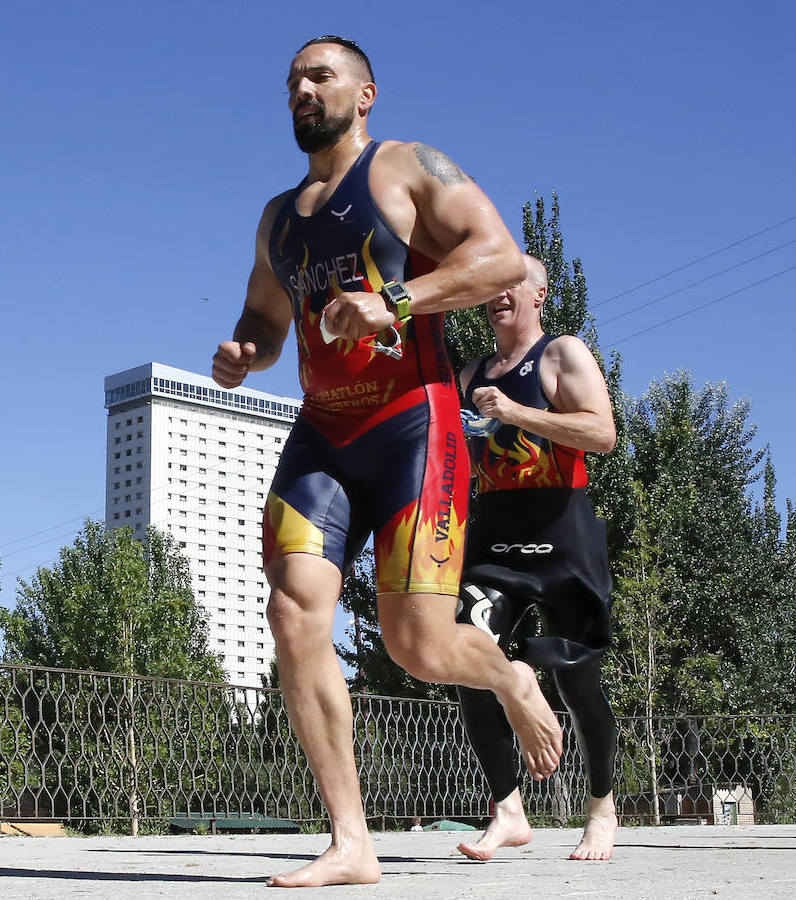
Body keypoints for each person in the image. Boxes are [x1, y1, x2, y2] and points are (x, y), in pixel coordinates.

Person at [211, 37, 563, 887]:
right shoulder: (277, 218)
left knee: (419, 647)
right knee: (294, 613)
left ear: (364, 94)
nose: (302, 88)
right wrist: (244, 352)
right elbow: (264, 318)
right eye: (293, 79)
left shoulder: (407, 168)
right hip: (323, 434)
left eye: (319, 75)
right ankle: (350, 840)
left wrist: (393, 299)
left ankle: (512, 679)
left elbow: (501, 259)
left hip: (415, 424)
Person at [454, 255, 619, 862]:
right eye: (491, 284)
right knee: (465, 654)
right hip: (495, 536)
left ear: (539, 293)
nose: (499, 293)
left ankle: (601, 807)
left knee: (577, 680)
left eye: (512, 282)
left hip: (563, 532)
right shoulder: (468, 372)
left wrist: (516, 412)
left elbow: (602, 434)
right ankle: (508, 810)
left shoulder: (561, 354)